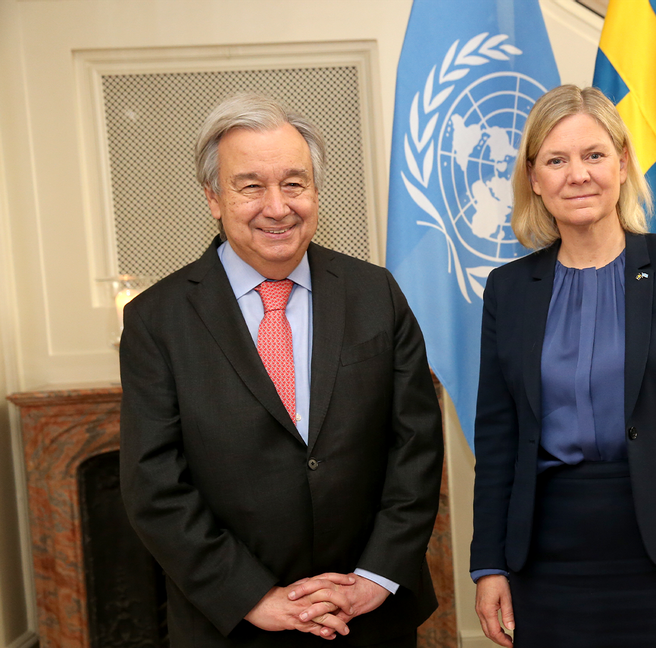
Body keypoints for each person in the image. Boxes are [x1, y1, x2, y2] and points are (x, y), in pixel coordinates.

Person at [119, 93, 443, 648]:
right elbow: (154, 485)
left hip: (367, 617)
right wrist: (254, 597)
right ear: (213, 198)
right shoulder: (156, 319)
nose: (278, 206)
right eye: (250, 186)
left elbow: (415, 445)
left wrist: (374, 577)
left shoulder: (375, 294)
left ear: (316, 191)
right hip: (233, 623)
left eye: (294, 183)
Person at [469, 85, 656, 647]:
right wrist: (488, 564)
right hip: (543, 559)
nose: (579, 175)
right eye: (556, 160)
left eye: (594, 155)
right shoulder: (508, 289)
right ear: (535, 179)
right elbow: (498, 437)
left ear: (622, 163)